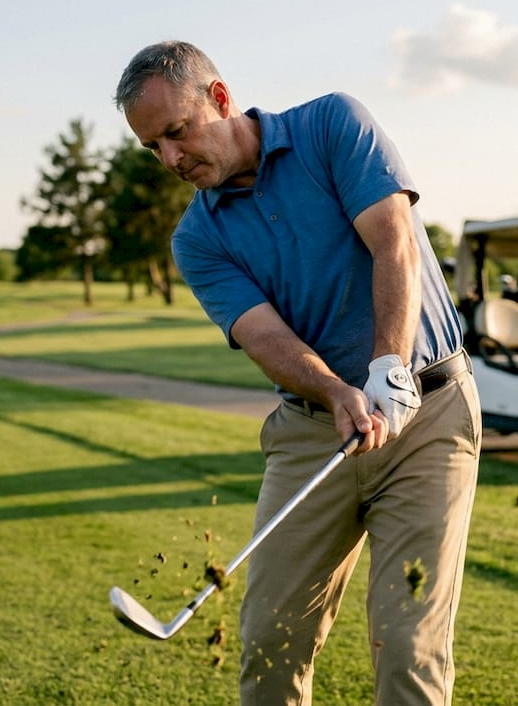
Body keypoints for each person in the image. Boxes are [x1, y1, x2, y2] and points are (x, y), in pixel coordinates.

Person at [115, 41, 481, 705]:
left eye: (175, 133)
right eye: (153, 149)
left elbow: (391, 241)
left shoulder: (332, 124)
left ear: (220, 100)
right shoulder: (198, 238)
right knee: (270, 640)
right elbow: (265, 336)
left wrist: (388, 370)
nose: (169, 159)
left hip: (426, 415)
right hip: (314, 429)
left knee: (407, 643)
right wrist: (339, 390)